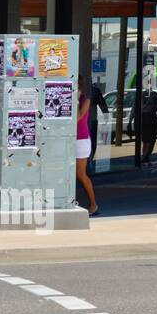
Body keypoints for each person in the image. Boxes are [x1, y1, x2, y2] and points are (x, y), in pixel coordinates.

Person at [74, 83, 98, 216]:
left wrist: (76, 100)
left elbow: (78, 117)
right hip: (68, 139)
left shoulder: (85, 100)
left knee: (80, 173)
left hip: (81, 140)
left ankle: (93, 205)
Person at [134, 84, 157, 165]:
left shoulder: (141, 94)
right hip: (150, 117)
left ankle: (144, 155)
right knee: (150, 139)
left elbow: (135, 106)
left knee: (146, 139)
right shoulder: (154, 95)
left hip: (143, 117)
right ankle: (145, 156)